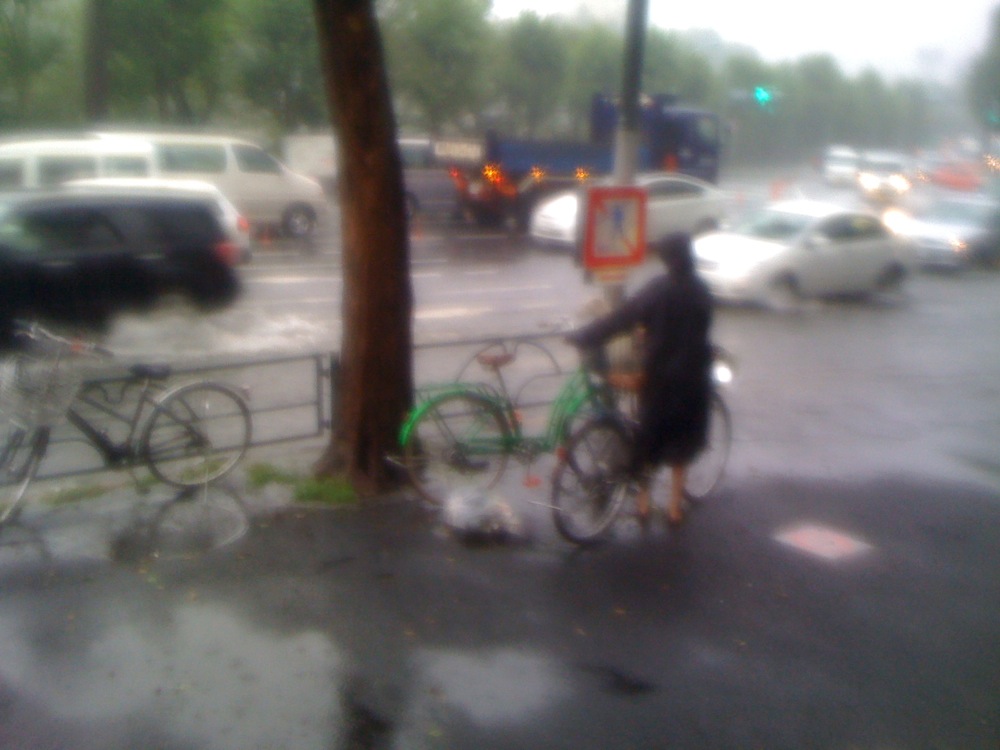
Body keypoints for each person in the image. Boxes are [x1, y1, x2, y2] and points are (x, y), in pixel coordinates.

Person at [565, 232, 714, 527]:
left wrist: (585, 336)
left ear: (666, 259)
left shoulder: (658, 290)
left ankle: (643, 505)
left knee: (649, 440)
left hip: (660, 377)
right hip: (693, 377)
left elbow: (622, 319)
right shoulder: (701, 290)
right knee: (681, 444)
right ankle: (674, 509)